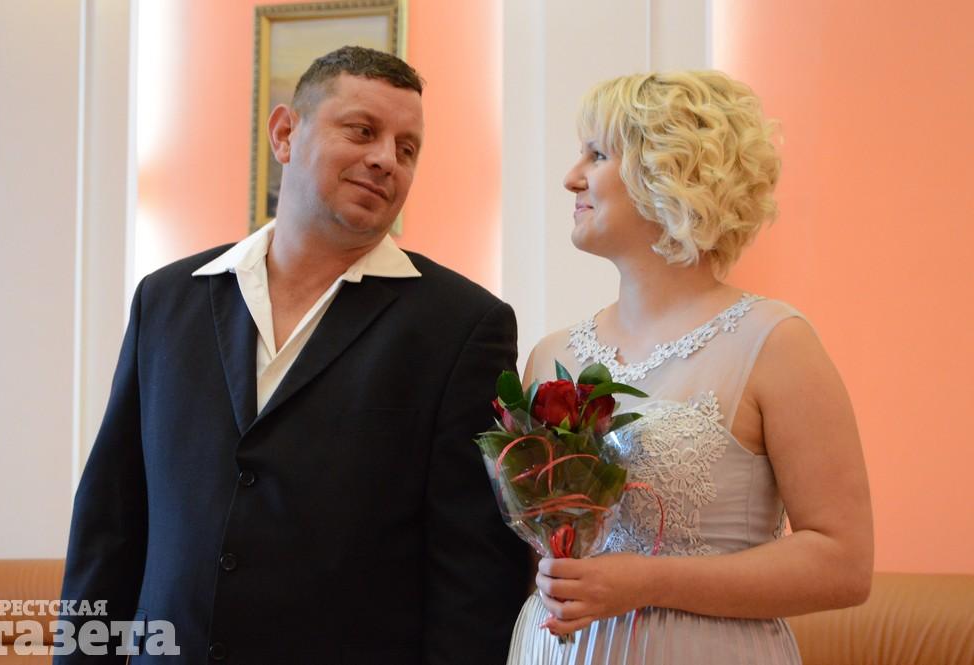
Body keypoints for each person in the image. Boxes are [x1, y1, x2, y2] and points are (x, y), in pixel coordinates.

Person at [57, 46, 528, 664]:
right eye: (362, 130)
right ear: (284, 133)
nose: (386, 159)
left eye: (407, 148)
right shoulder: (166, 299)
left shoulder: (463, 326)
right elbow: (111, 520)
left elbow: (475, 573)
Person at [506, 71, 873, 664]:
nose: (571, 177)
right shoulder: (552, 355)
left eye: (596, 154)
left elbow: (843, 564)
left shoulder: (774, 342)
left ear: (667, 172)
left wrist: (648, 581)